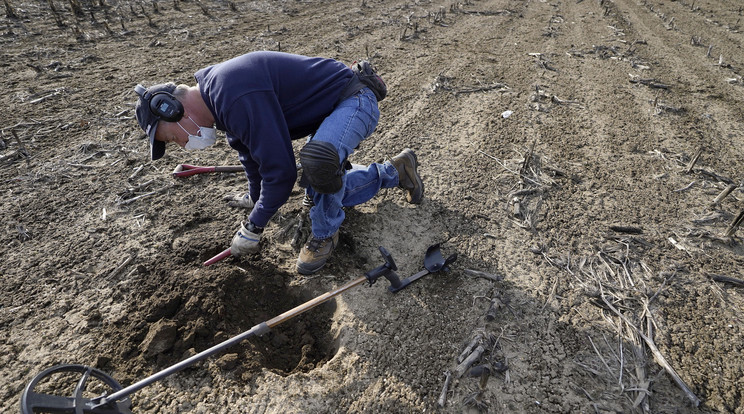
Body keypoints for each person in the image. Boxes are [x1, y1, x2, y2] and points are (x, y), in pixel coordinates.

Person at [133, 51, 424, 275]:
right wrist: (255, 199)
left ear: (172, 111)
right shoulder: (220, 103)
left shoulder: (231, 93)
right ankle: (396, 171)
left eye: (171, 139)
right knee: (324, 189)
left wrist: (254, 227)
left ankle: (324, 235)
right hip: (333, 112)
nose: (181, 145)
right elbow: (251, 157)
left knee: (319, 163)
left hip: (355, 100)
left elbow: (281, 174)